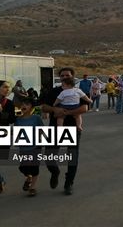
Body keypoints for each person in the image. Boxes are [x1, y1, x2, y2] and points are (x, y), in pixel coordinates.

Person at [40, 67, 88, 195]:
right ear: (59, 78)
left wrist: (68, 112)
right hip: (55, 128)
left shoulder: (78, 91)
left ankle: (69, 183)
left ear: (72, 76)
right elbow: (44, 107)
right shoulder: (54, 91)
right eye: (62, 76)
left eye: (67, 75)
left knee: (73, 157)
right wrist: (55, 110)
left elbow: (85, 107)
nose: (65, 77)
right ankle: (55, 172)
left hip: (73, 128)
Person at [14, 95, 44, 197]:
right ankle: (29, 177)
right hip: (23, 147)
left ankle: (33, 187)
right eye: (22, 104)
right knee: (23, 168)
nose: (24, 106)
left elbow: (42, 130)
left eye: (27, 104)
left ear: (31, 106)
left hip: (35, 146)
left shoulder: (36, 118)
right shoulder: (18, 118)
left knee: (35, 167)